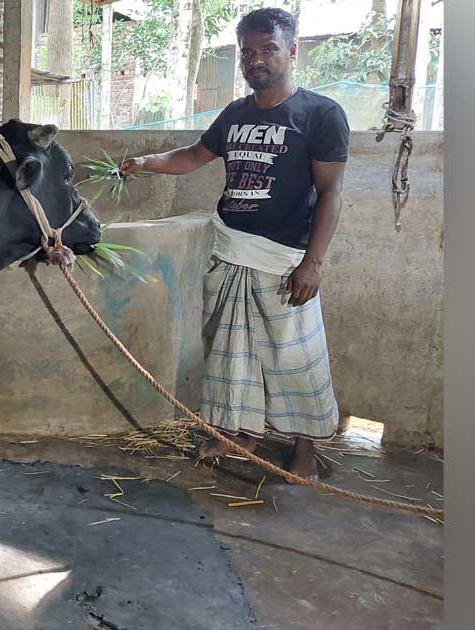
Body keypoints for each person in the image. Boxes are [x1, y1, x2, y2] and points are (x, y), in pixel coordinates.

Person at [119, 7, 349, 482]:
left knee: (295, 358)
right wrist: (145, 161)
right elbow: (192, 157)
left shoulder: (321, 114)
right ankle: (242, 436)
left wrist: (314, 263)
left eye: (268, 49)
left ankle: (305, 449)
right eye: (248, 52)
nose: (257, 60)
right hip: (229, 250)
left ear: (291, 50)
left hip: (284, 258)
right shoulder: (235, 114)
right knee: (232, 354)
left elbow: (330, 192)